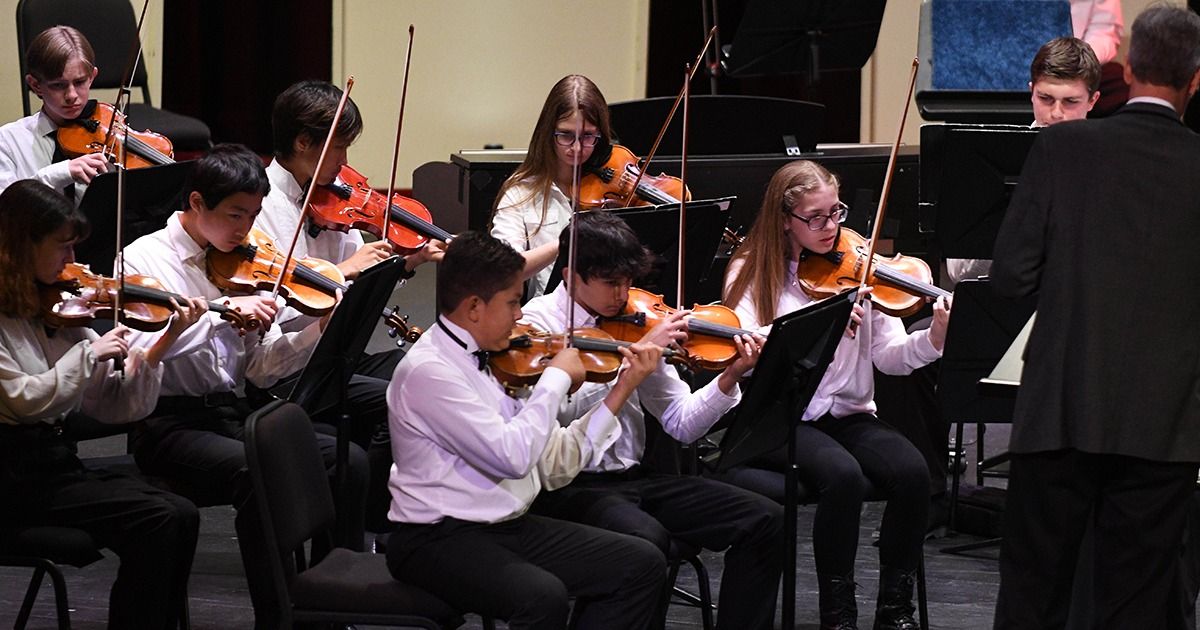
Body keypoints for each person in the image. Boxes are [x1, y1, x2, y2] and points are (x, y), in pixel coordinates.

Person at [991, 6, 1200, 628]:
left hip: (1060, 408)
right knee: (1134, 605)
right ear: (1195, 80)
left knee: (1034, 596)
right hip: (1165, 427)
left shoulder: (1063, 148)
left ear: (1126, 68)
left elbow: (1009, 280)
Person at [120, 143, 369, 629]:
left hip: (231, 414)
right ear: (196, 204)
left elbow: (259, 371)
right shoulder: (143, 258)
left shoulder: (245, 262)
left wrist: (320, 330)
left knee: (347, 459)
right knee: (263, 469)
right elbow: (137, 351)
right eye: (235, 215)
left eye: (253, 215)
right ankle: (276, 617)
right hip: (166, 423)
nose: (246, 229)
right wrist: (219, 319)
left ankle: (330, 604)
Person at [385, 230, 668, 629]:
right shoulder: (431, 371)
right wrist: (552, 382)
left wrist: (621, 389)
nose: (521, 315)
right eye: (514, 302)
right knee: (542, 597)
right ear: (474, 308)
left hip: (506, 526)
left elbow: (552, 464)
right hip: (435, 539)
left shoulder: (502, 359)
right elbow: (512, 458)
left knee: (640, 564)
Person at [521, 210, 783, 630]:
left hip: (636, 478)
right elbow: (552, 422)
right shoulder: (536, 326)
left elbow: (681, 422)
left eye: (628, 281)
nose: (623, 294)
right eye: (611, 283)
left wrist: (731, 375)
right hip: (567, 487)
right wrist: (628, 372)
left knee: (766, 518)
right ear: (571, 276)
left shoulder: (638, 319)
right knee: (646, 543)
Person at [723, 160, 950, 630]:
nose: (831, 228)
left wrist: (936, 336)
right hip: (781, 416)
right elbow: (745, 345)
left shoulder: (860, 266)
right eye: (816, 217)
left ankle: (894, 609)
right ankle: (838, 614)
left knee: (913, 471)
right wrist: (821, 327)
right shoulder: (752, 270)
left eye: (836, 213)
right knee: (842, 476)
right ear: (786, 219)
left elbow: (890, 357)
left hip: (848, 415)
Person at [0, 179, 206, 628]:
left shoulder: (55, 307)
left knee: (182, 513)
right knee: (155, 519)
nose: (74, 264)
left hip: (52, 468)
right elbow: (22, 400)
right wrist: (88, 354)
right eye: (63, 248)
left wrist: (160, 342)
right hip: (11, 480)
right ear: (20, 247)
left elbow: (112, 407)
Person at [254, 79, 445, 529]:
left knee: (428, 374)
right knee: (397, 401)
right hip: (286, 370)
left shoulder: (335, 199)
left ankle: (426, 516)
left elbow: (359, 298)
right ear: (303, 143)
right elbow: (275, 314)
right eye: (338, 150)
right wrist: (343, 272)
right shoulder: (258, 206)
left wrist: (403, 265)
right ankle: (370, 526)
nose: (345, 164)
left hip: (336, 356)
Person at [490, 74, 615, 300]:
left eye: (588, 136)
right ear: (548, 132)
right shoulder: (520, 194)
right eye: (566, 135)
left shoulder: (614, 189)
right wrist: (567, 242)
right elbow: (503, 270)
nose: (577, 148)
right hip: (547, 324)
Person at [0, 26, 111, 197]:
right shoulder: (7, 142)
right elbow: (6, 211)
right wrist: (59, 174)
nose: (72, 95)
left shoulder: (109, 133)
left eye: (80, 82)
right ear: (35, 85)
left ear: (92, 77)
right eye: (58, 85)